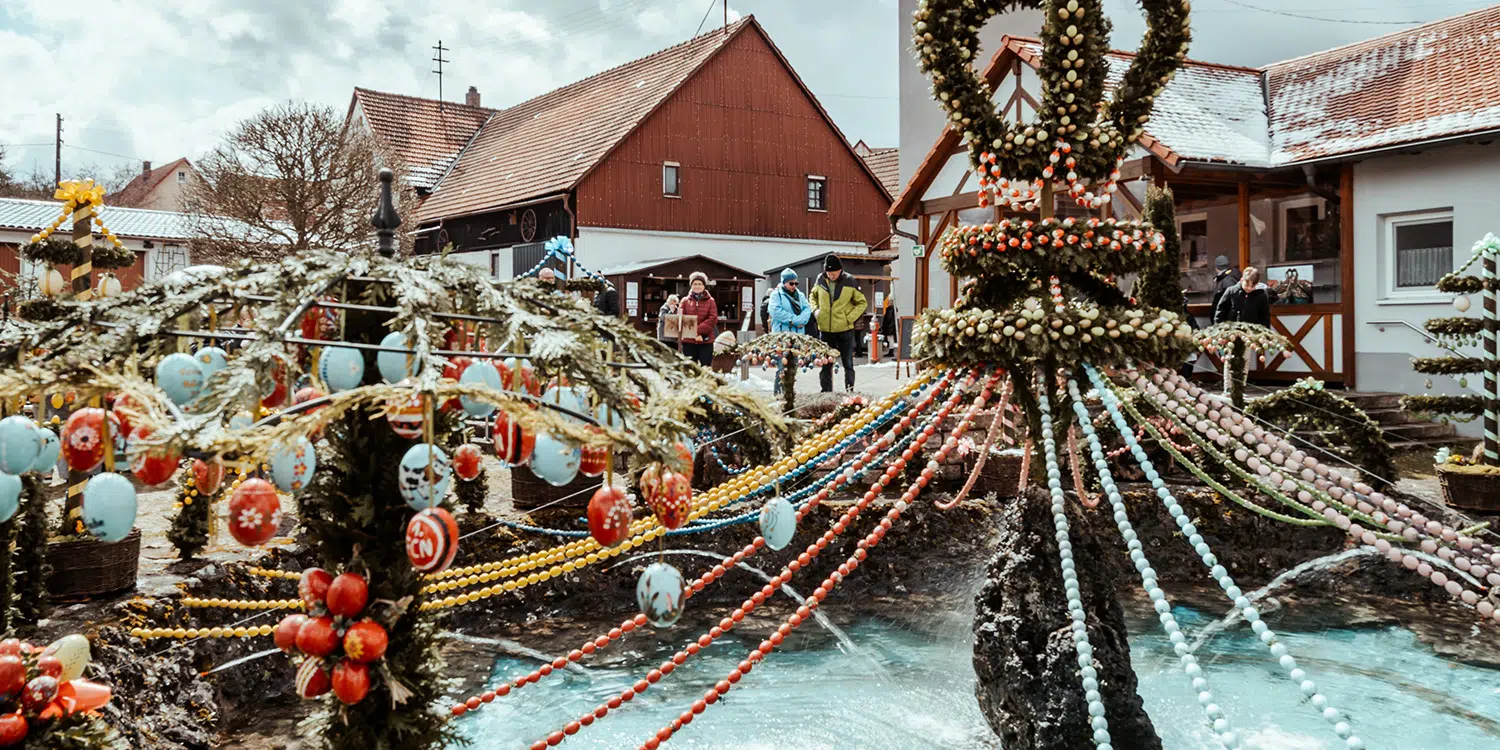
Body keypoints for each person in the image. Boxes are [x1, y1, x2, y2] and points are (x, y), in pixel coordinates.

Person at [810, 254, 867, 393]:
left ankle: (850, 391)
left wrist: (849, 318)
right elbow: (813, 296)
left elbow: (862, 303)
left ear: (840, 270)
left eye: (834, 272)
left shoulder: (850, 280)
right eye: (829, 272)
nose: (831, 275)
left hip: (844, 330)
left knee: (847, 363)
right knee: (825, 363)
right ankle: (826, 392)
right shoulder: (820, 279)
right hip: (825, 330)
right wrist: (816, 310)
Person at [678, 271, 718, 367]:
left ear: (704, 286)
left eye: (700, 284)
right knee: (690, 369)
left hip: (706, 340)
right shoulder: (684, 301)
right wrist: (693, 334)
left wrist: (697, 332)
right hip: (688, 341)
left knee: (706, 368)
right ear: (691, 285)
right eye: (695, 284)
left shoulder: (711, 301)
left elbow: (712, 318)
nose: (697, 286)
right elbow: (680, 319)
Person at [767, 268, 811, 333]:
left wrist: (802, 320)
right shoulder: (776, 294)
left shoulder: (800, 295)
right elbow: (776, 312)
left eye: (796, 283)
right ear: (784, 283)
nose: (794, 286)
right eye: (791, 283)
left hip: (799, 335)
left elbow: (807, 308)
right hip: (782, 335)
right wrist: (795, 321)